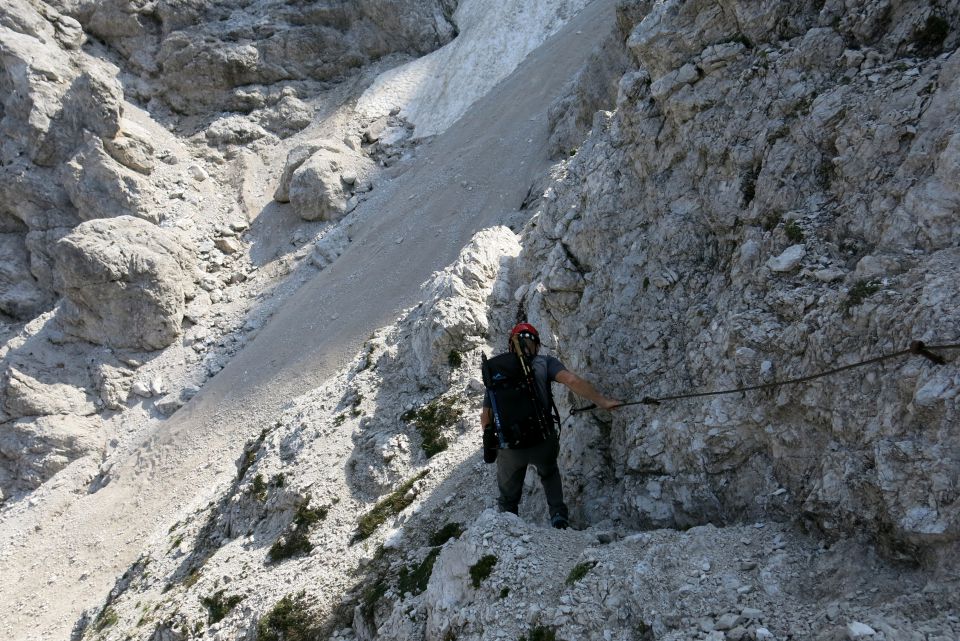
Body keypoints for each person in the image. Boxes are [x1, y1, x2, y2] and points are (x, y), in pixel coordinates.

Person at [480, 322, 621, 529]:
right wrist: (602, 401)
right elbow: (571, 380)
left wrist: (493, 442)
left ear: (512, 345)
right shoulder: (545, 363)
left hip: (510, 449)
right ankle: (558, 517)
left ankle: (507, 533)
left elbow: (486, 417)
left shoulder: (499, 373)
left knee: (508, 499)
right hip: (542, 440)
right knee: (549, 472)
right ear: (536, 344)